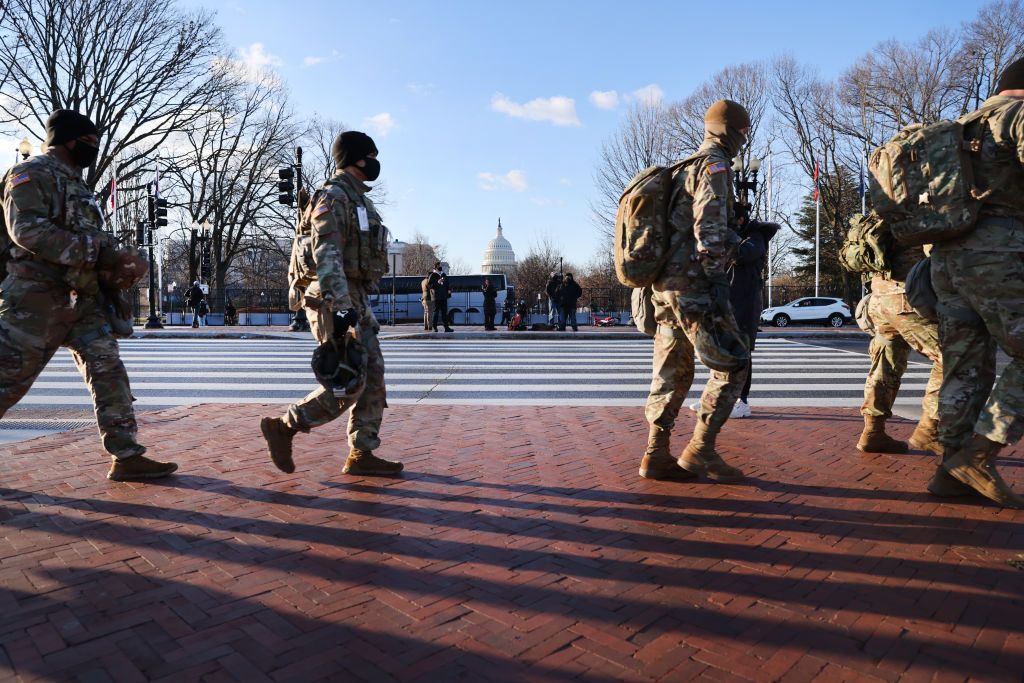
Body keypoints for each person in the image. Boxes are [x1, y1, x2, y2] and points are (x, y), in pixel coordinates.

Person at [0, 109, 176, 481]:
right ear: (67, 140)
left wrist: (120, 265)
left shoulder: (79, 186)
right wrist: (103, 254)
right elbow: (27, 232)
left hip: (82, 301)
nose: (94, 148)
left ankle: (126, 455)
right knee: (7, 381)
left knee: (108, 368)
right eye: (90, 142)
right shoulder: (30, 173)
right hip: (35, 301)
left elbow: (88, 238)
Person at [260, 130, 402, 476]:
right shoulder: (334, 198)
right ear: (356, 159)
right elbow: (326, 255)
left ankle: (361, 451)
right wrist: (341, 307)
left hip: (353, 294)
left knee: (373, 374)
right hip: (331, 297)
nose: (375, 163)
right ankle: (285, 426)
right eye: (371, 156)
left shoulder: (358, 201)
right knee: (348, 378)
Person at [926, 59, 1024, 507]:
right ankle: (979, 455)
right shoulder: (1016, 117)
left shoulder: (960, 127)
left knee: (964, 364)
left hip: (946, 258)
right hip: (998, 253)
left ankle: (951, 468)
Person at [639, 99, 751, 484]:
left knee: (672, 372)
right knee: (734, 363)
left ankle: (656, 454)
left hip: (664, 289)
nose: (744, 139)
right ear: (729, 130)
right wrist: (718, 276)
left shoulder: (681, 167)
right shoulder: (715, 165)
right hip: (694, 287)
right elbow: (710, 229)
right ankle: (701, 449)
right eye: (743, 131)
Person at [857, 233, 943, 456]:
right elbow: (934, 250)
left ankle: (872, 432)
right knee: (952, 357)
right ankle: (930, 429)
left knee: (886, 361)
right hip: (909, 297)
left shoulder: (888, 209)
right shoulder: (921, 207)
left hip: (879, 298)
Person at [727, 219, 779, 417]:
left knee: (742, 353)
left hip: (745, 306)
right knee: (722, 351)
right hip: (730, 304)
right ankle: (718, 397)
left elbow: (740, 255)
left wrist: (727, 234)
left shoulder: (756, 238)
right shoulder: (740, 237)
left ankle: (742, 401)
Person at [428, 262, 453, 332]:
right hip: (436, 297)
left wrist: (449, 290)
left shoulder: (444, 275)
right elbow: (430, 286)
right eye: (439, 266)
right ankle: (434, 327)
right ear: (436, 267)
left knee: (444, 312)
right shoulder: (432, 275)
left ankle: (446, 327)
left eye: (441, 266)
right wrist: (438, 282)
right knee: (436, 312)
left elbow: (447, 284)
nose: (440, 267)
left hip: (443, 296)